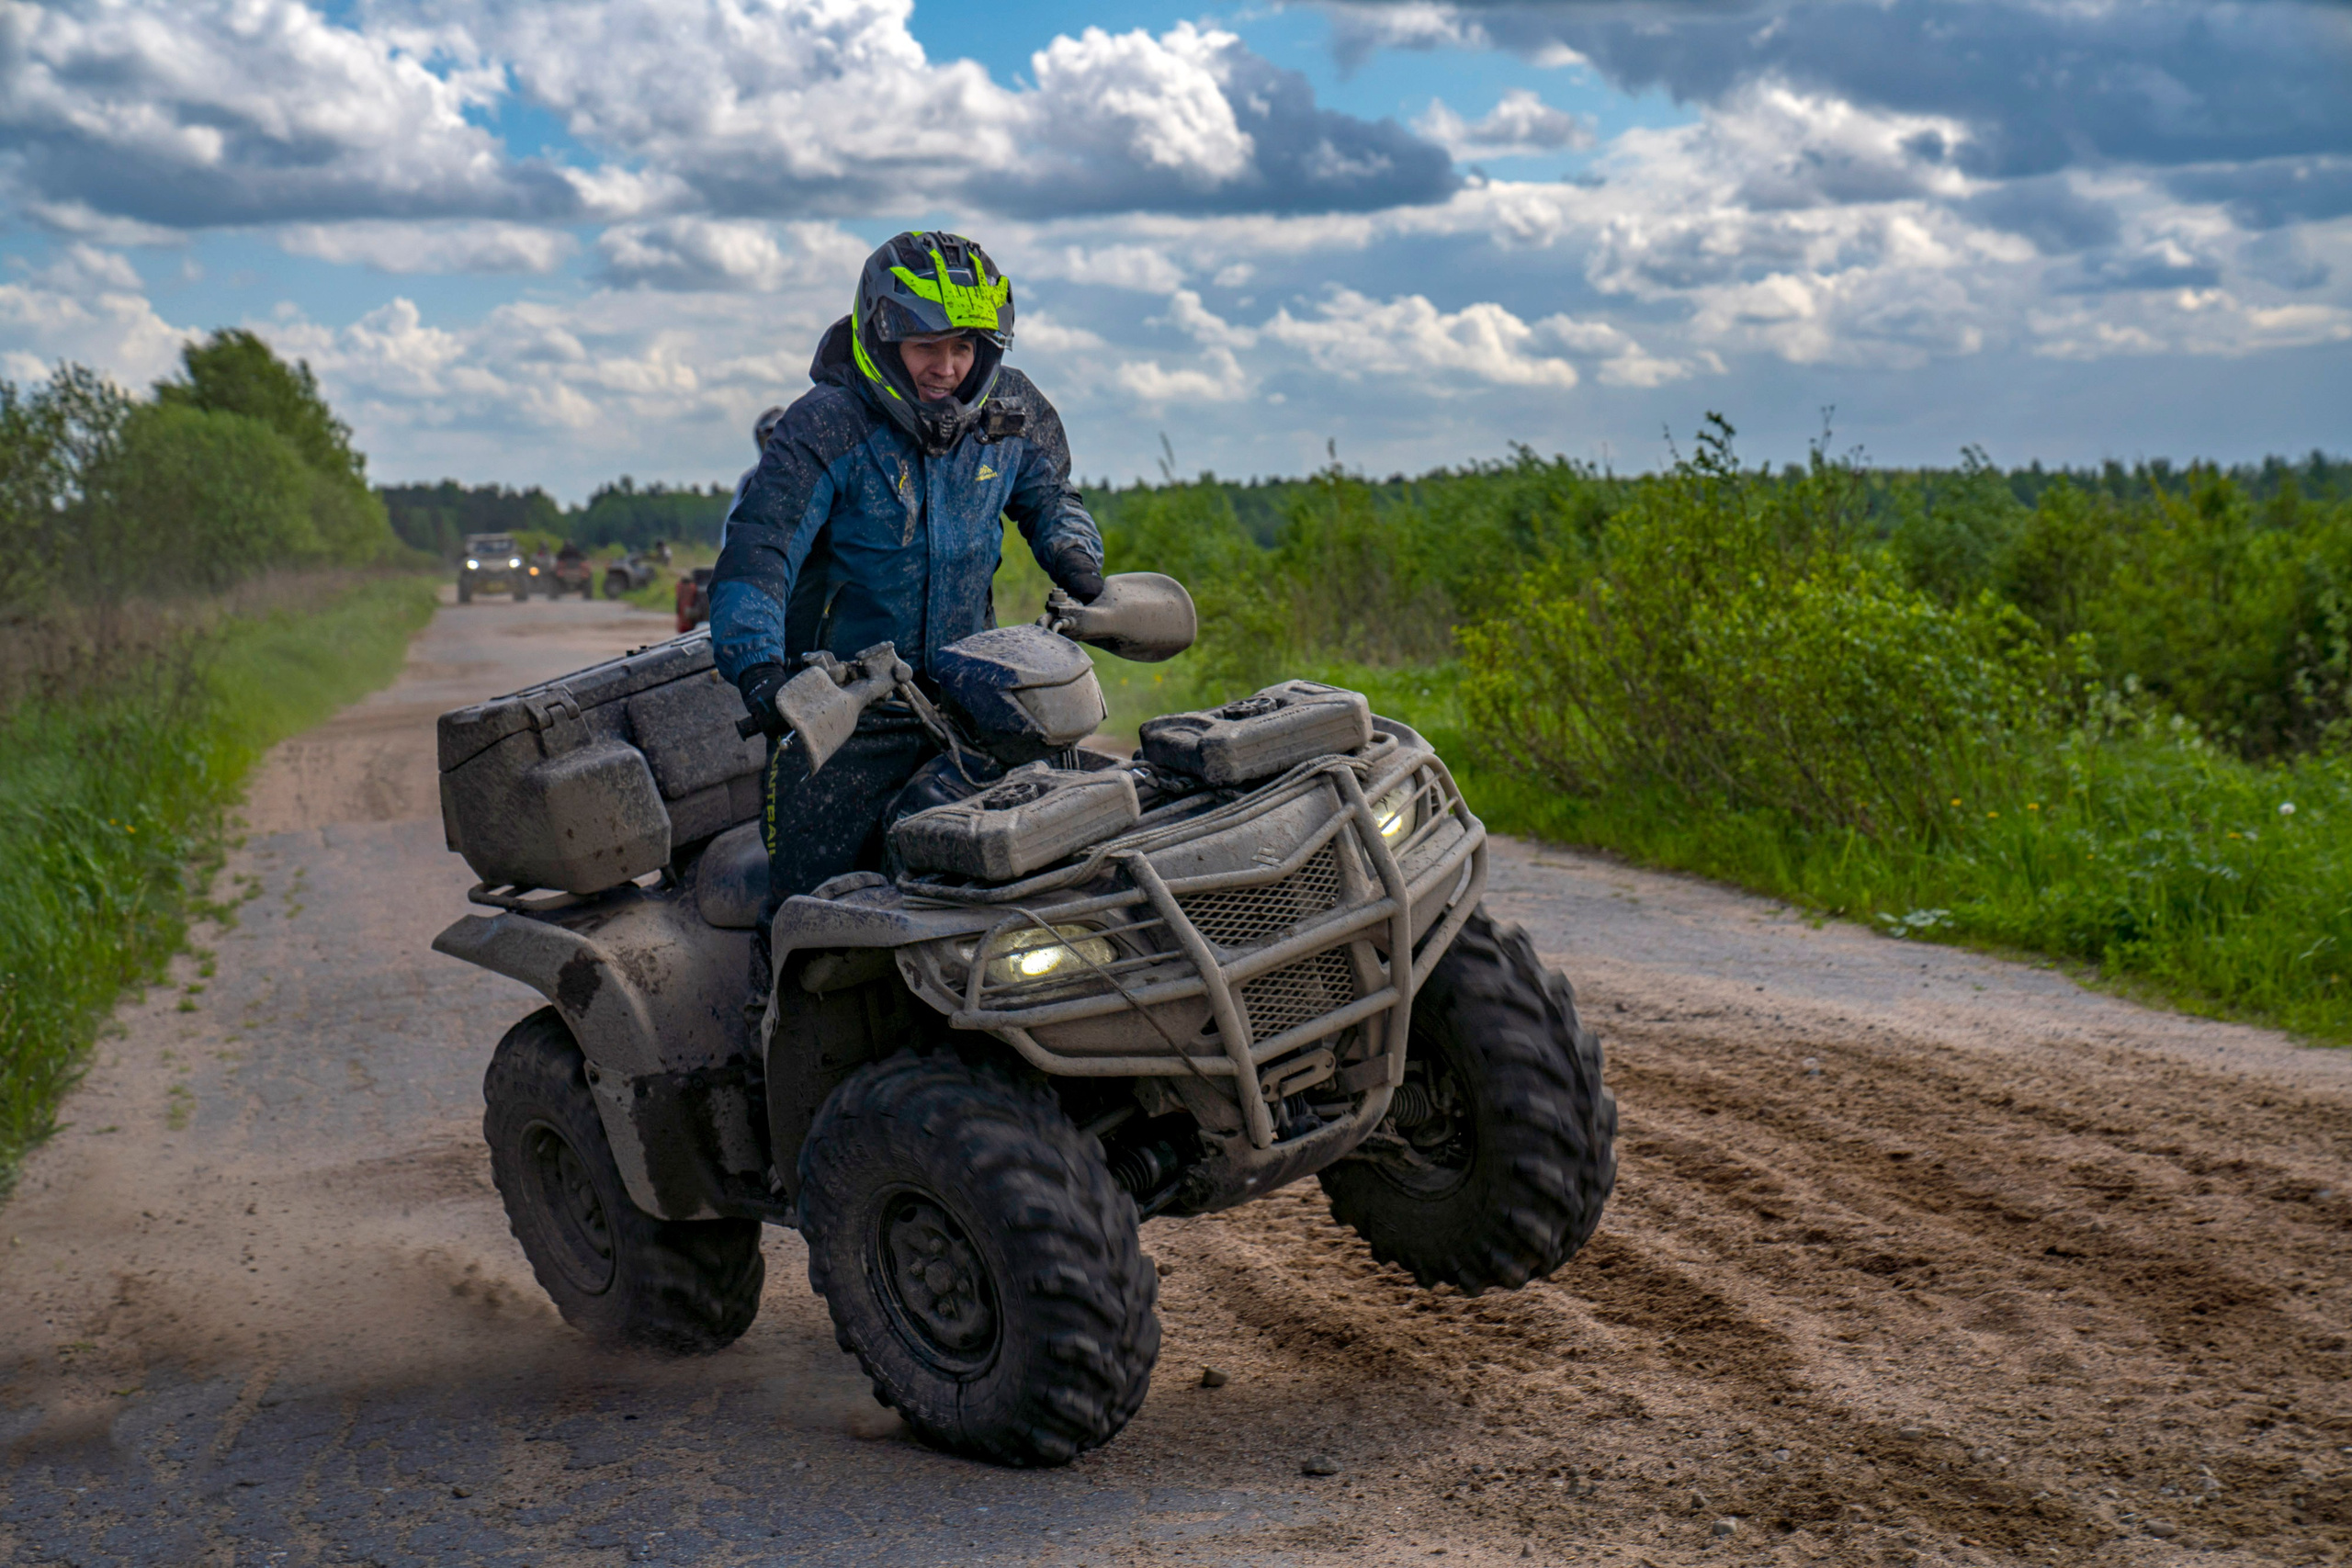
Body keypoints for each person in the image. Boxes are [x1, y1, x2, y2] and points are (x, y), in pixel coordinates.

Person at [708, 230, 1105, 937]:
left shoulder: (1009, 410)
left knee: (1056, 870)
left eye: (965, 347)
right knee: (817, 914)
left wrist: (1074, 553)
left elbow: (1052, 494)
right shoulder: (824, 426)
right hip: (841, 712)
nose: (948, 367)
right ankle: (771, 1026)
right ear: (883, 334)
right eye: (929, 347)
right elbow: (758, 553)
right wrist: (761, 671)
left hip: (975, 694)